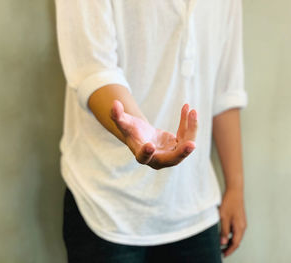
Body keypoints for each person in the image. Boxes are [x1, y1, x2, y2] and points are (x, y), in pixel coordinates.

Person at [56, 0, 248, 262]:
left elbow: (226, 88)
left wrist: (235, 187)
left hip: (194, 206)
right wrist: (137, 130)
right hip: (107, 206)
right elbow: (93, 68)